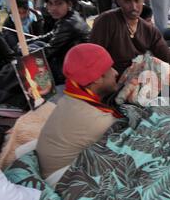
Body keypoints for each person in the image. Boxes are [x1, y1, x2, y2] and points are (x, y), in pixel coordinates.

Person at [36, 43, 124, 181]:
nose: (116, 73)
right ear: (97, 78)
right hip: (63, 179)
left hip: (50, 166)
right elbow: (127, 136)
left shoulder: (68, 99)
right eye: (109, 69)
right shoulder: (97, 120)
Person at [26, 0, 90, 84]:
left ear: (69, 4)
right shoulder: (70, 16)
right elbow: (50, 35)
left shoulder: (68, 23)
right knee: (36, 45)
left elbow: (49, 51)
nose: (53, 8)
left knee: (31, 57)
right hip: (69, 60)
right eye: (50, 4)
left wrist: (25, 53)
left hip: (75, 70)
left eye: (59, 3)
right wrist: (26, 42)